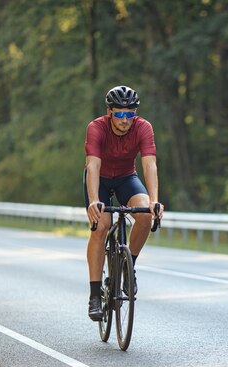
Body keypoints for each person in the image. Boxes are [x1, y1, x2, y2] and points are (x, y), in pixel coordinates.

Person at [83, 85, 164, 321]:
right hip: (100, 180)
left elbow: (149, 164)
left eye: (130, 114)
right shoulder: (96, 128)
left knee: (145, 214)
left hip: (127, 178)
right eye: (119, 114)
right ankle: (95, 296)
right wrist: (95, 200)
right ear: (109, 112)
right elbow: (93, 166)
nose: (125, 119)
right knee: (102, 225)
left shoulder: (144, 127)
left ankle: (129, 267)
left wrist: (155, 200)